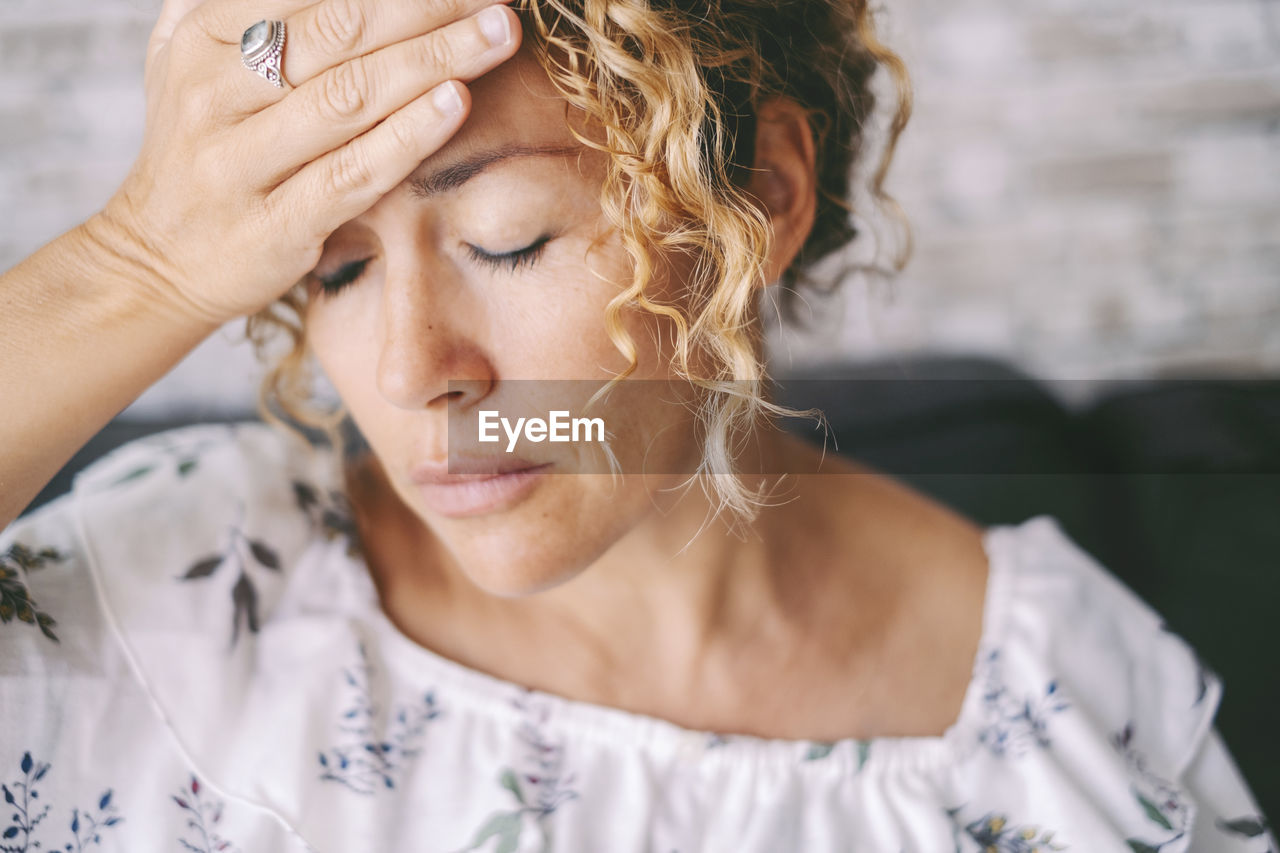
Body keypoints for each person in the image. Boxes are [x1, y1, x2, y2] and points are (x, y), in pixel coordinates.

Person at [0, 0, 1271, 849]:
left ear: (757, 198)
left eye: (510, 240)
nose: (409, 374)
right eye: (333, 272)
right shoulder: (170, 599)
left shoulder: (1070, 720)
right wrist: (132, 268)